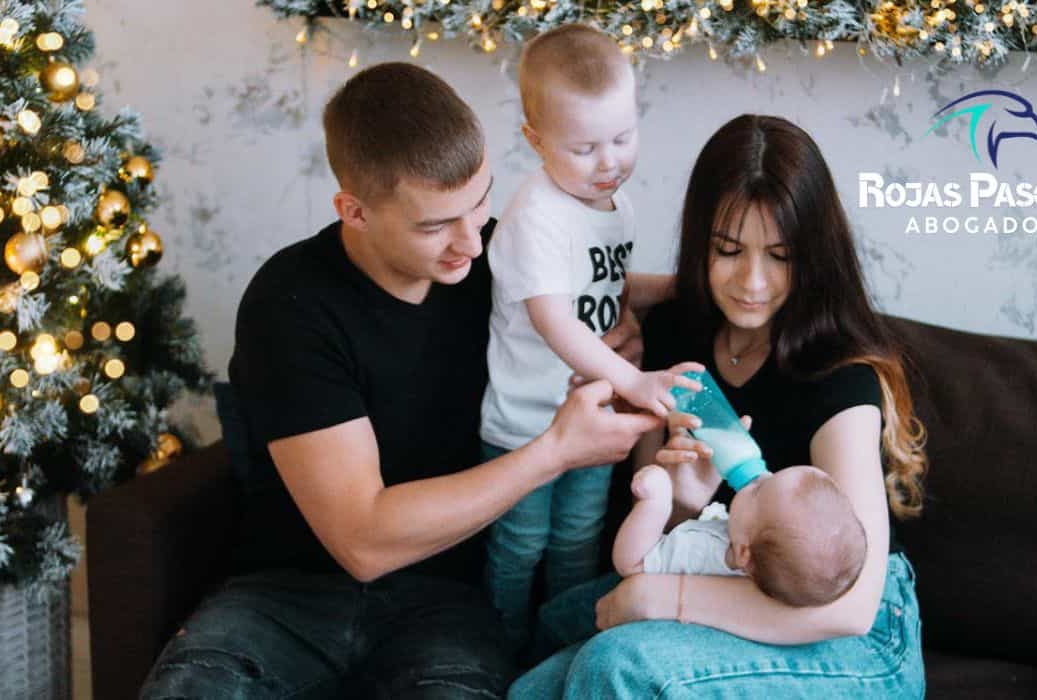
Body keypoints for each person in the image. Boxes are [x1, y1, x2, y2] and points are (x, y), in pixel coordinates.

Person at [138, 62, 669, 699]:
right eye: (434, 225)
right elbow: (362, 542)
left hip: (447, 603)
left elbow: (586, 288)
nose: (471, 244)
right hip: (285, 595)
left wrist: (617, 319)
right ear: (354, 211)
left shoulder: (497, 256)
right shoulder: (292, 303)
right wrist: (555, 452)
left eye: (481, 203)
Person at [510, 114, 930, 698]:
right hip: (725, 571)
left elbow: (851, 607)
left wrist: (666, 599)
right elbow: (668, 538)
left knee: (615, 664)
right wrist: (682, 501)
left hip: (854, 631)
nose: (752, 282)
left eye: (780, 256)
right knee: (550, 643)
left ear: (812, 256)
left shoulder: (840, 377)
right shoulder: (676, 336)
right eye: (729, 250)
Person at [480, 23, 691, 655]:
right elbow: (557, 320)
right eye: (584, 148)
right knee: (521, 545)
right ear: (536, 140)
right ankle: (500, 650)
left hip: (595, 420)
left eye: (623, 138)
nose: (609, 163)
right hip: (528, 425)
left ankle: (564, 649)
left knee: (579, 538)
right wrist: (632, 380)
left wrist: (682, 287)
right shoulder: (537, 218)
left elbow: (610, 287)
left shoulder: (613, 207)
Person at [613, 463, 868, 611]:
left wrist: (655, 503)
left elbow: (632, 563)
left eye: (759, 489)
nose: (761, 476)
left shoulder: (704, 552)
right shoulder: (748, 558)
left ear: (744, 552)